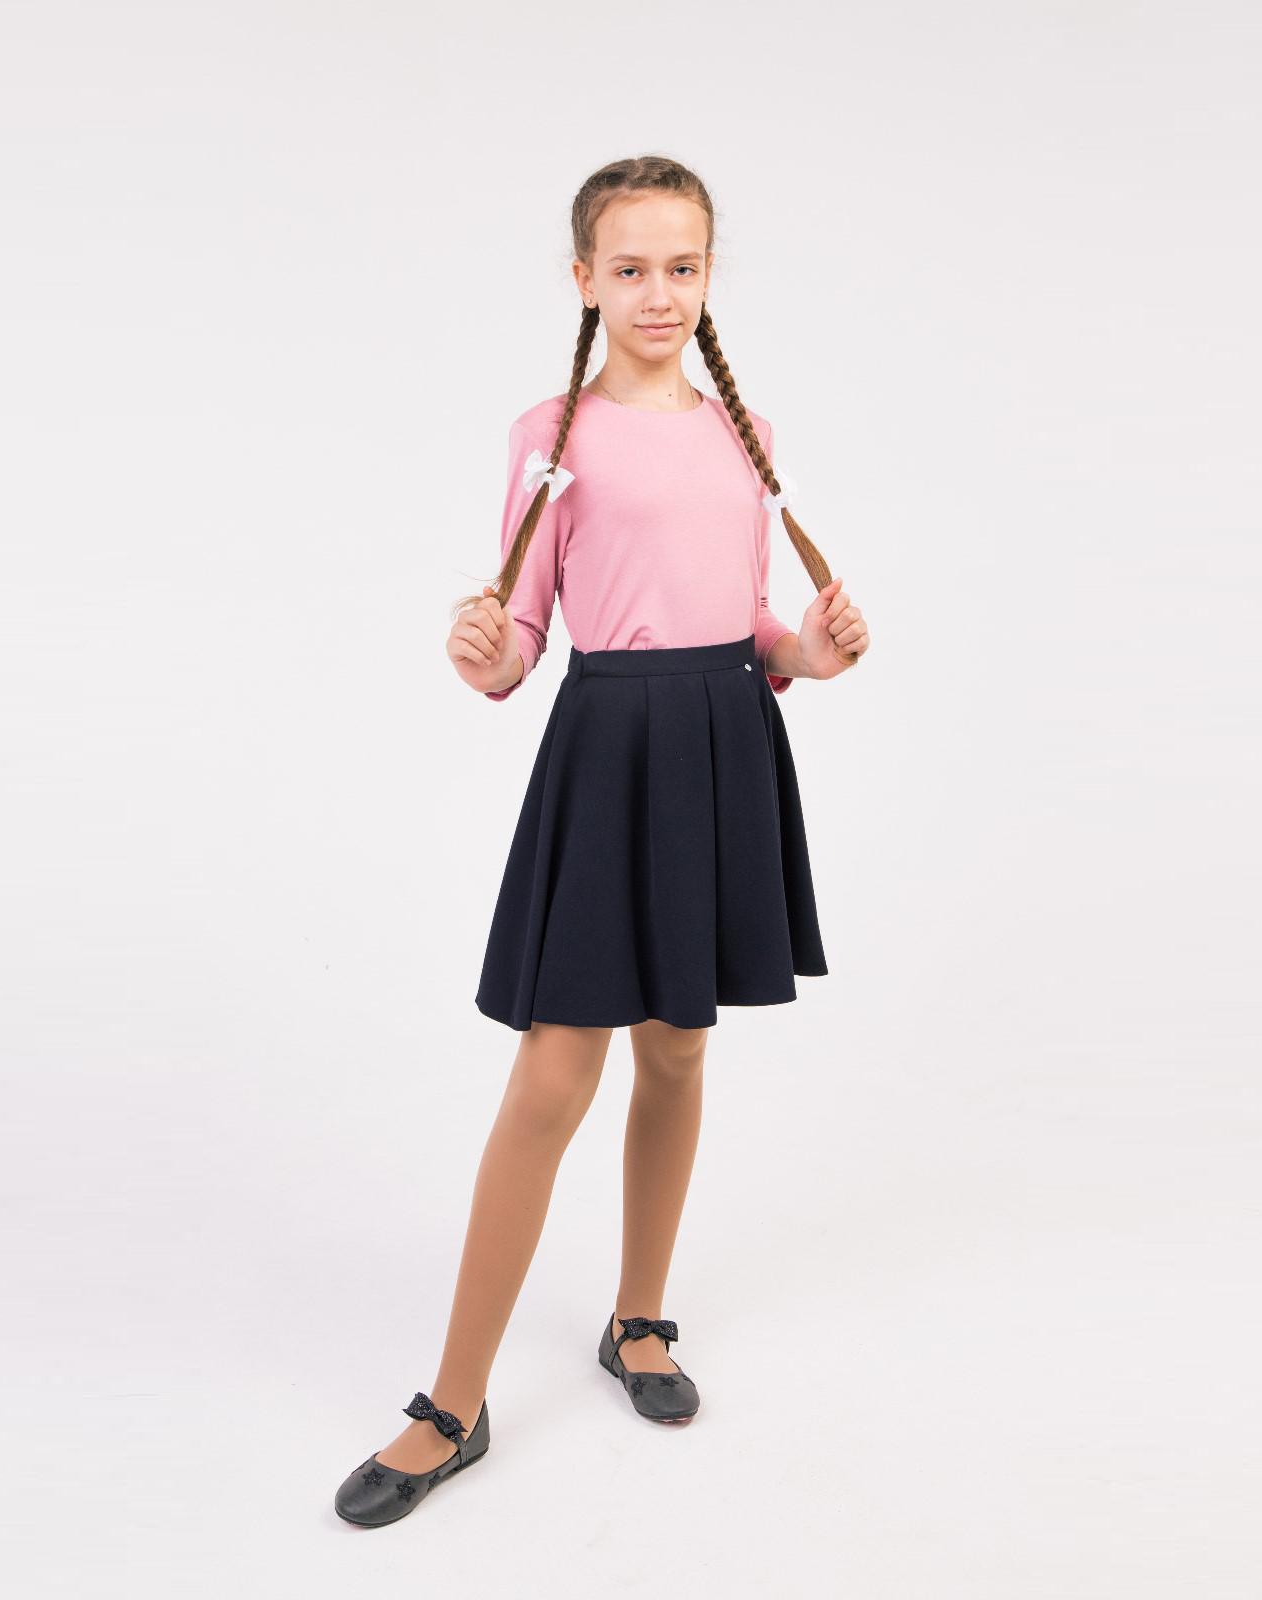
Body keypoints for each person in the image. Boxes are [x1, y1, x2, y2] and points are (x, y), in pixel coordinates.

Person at [333, 154, 870, 1528]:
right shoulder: (552, 430)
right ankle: (454, 1403)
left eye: (681, 266)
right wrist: (484, 656)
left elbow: (749, 614)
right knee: (554, 1074)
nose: (657, 292)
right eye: (629, 268)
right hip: (609, 745)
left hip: (724, 742)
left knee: (678, 1046)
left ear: (710, 275)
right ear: (584, 279)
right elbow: (520, 631)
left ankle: (639, 1320)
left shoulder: (745, 431)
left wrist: (803, 652)